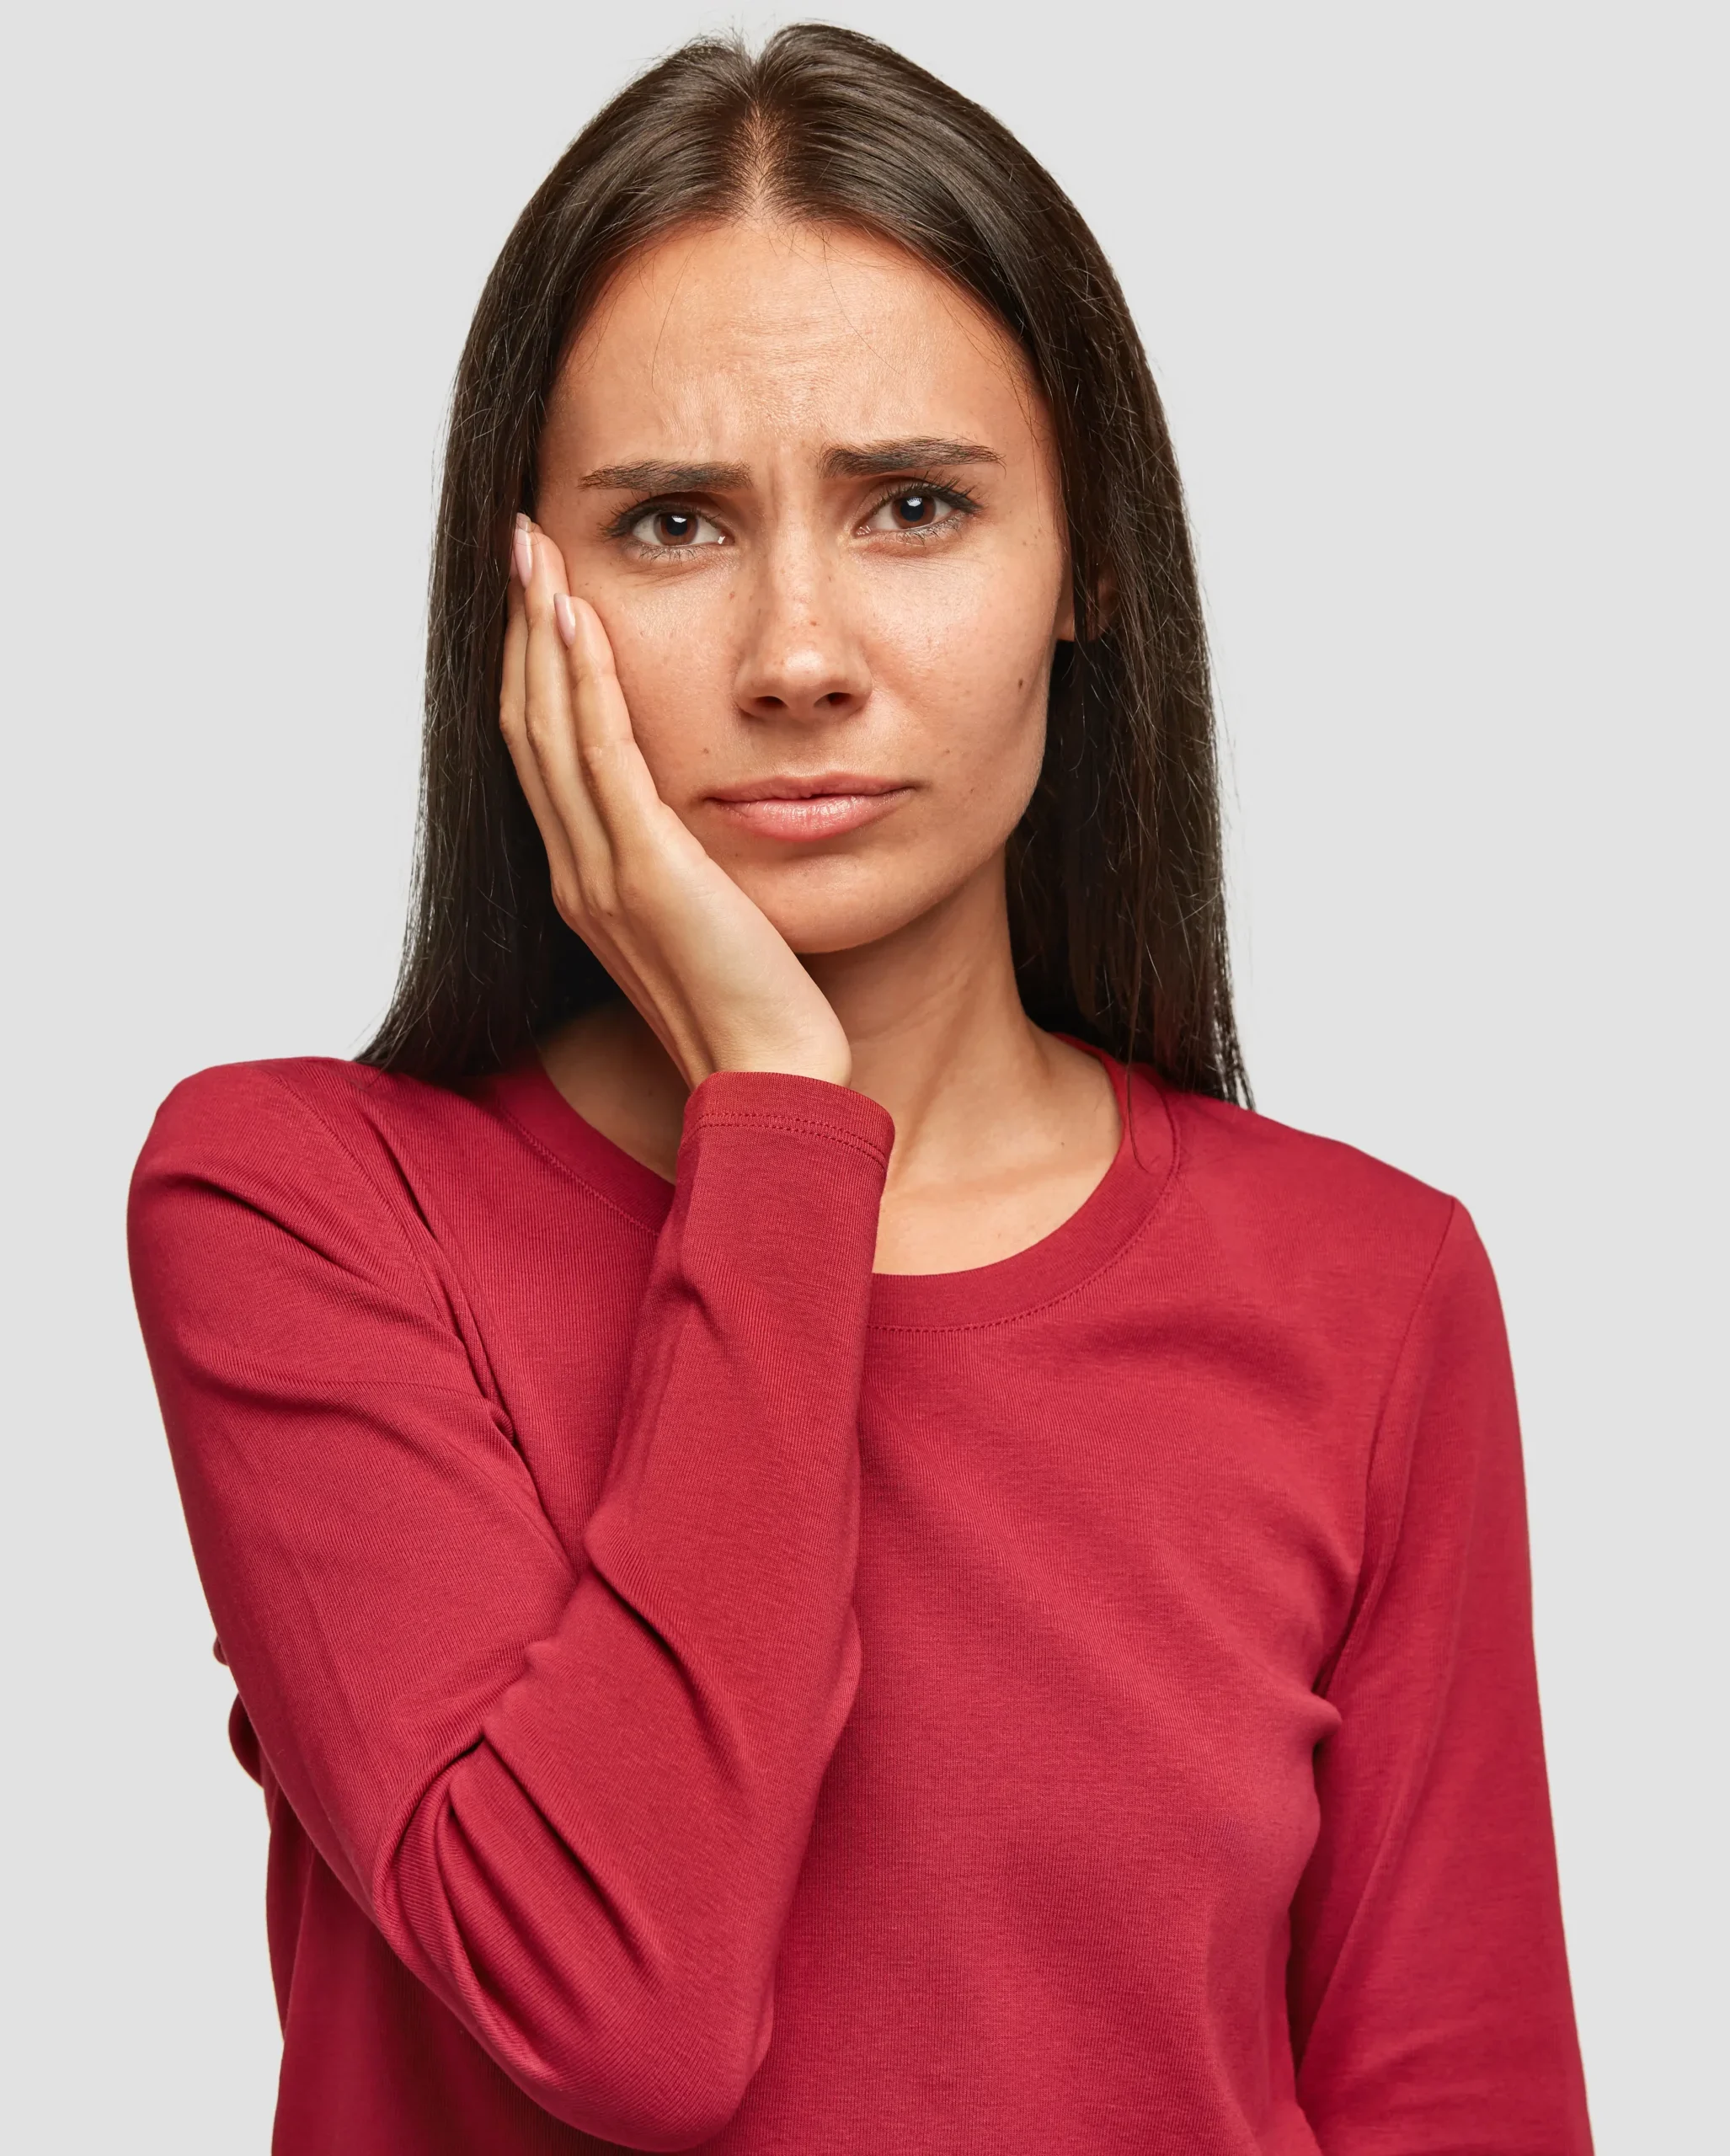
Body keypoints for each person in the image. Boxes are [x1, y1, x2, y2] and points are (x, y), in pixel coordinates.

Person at [128, 25, 1594, 2155]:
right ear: (518, 599)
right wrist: (783, 1123)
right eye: (673, 523)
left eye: (914, 506)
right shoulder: (305, 1208)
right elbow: (625, 2009)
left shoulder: (1364, 1290)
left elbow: (1461, 2105)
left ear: (1086, 563)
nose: (797, 650)